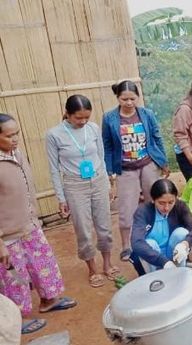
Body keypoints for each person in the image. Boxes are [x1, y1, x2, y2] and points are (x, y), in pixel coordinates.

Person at [1, 113, 76, 335]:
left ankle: (48, 300)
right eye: (8, 136)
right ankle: (16, 319)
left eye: (17, 134)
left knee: (43, 264)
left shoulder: (18, 154)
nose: (15, 139)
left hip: (30, 225)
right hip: (8, 235)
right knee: (14, 279)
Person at [46, 95, 119, 288]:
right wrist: (61, 198)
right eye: (78, 118)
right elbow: (54, 169)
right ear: (68, 114)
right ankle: (92, 268)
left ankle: (107, 263)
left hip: (98, 179)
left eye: (86, 117)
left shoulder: (93, 128)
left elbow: (102, 158)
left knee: (104, 225)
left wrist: (109, 183)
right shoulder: (54, 135)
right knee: (84, 230)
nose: (83, 121)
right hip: (74, 184)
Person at [102, 80, 170, 262]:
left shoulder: (146, 114)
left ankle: (155, 236)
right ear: (118, 98)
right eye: (125, 99)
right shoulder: (109, 118)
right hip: (125, 169)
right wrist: (109, 170)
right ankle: (127, 245)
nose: (129, 103)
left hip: (148, 164)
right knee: (126, 208)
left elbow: (157, 137)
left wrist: (163, 161)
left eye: (132, 98)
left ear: (137, 97)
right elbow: (107, 145)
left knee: (154, 201)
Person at [131, 179, 192, 274]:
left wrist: (185, 244)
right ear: (153, 200)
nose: (166, 208)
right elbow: (137, 243)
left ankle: (180, 272)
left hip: (172, 250)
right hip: (152, 255)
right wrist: (164, 262)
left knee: (181, 233)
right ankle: (154, 276)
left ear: (176, 199)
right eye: (161, 203)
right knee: (150, 243)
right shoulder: (143, 211)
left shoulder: (180, 206)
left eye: (171, 202)